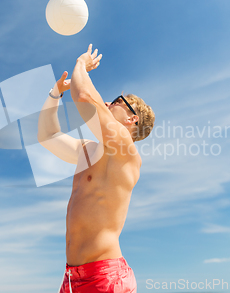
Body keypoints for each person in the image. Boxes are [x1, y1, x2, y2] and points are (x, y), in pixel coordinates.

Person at [37, 44, 155, 293]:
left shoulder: (125, 150)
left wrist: (82, 65)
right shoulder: (88, 150)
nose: (109, 102)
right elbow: (47, 135)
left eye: (118, 101)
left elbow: (84, 97)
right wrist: (54, 94)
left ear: (132, 118)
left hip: (105, 276)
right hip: (71, 279)